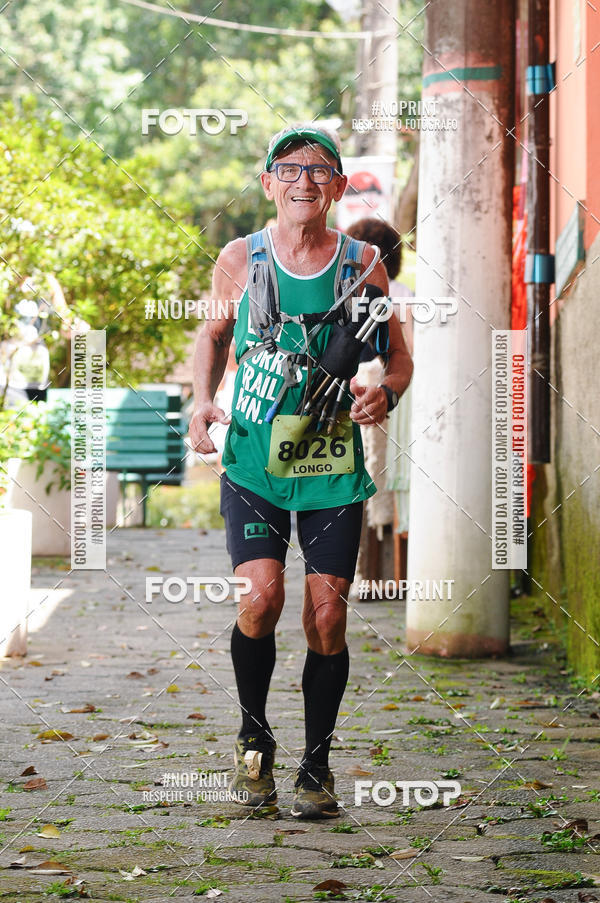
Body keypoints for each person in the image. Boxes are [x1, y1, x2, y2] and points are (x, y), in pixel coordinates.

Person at [189, 124, 413, 819]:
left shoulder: (363, 265)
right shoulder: (240, 258)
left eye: (319, 172)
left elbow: (399, 358)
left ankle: (317, 763)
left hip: (328, 465)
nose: (303, 182)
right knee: (259, 598)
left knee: (327, 612)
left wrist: (387, 390)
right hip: (254, 457)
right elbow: (212, 335)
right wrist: (201, 400)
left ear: (339, 188)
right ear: (268, 184)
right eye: (288, 171)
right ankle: (254, 740)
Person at [345, 218, 414, 597]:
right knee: (399, 489)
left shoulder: (361, 296)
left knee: (366, 486)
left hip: (370, 404)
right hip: (404, 406)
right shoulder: (408, 294)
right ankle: (399, 576)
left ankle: (367, 578)